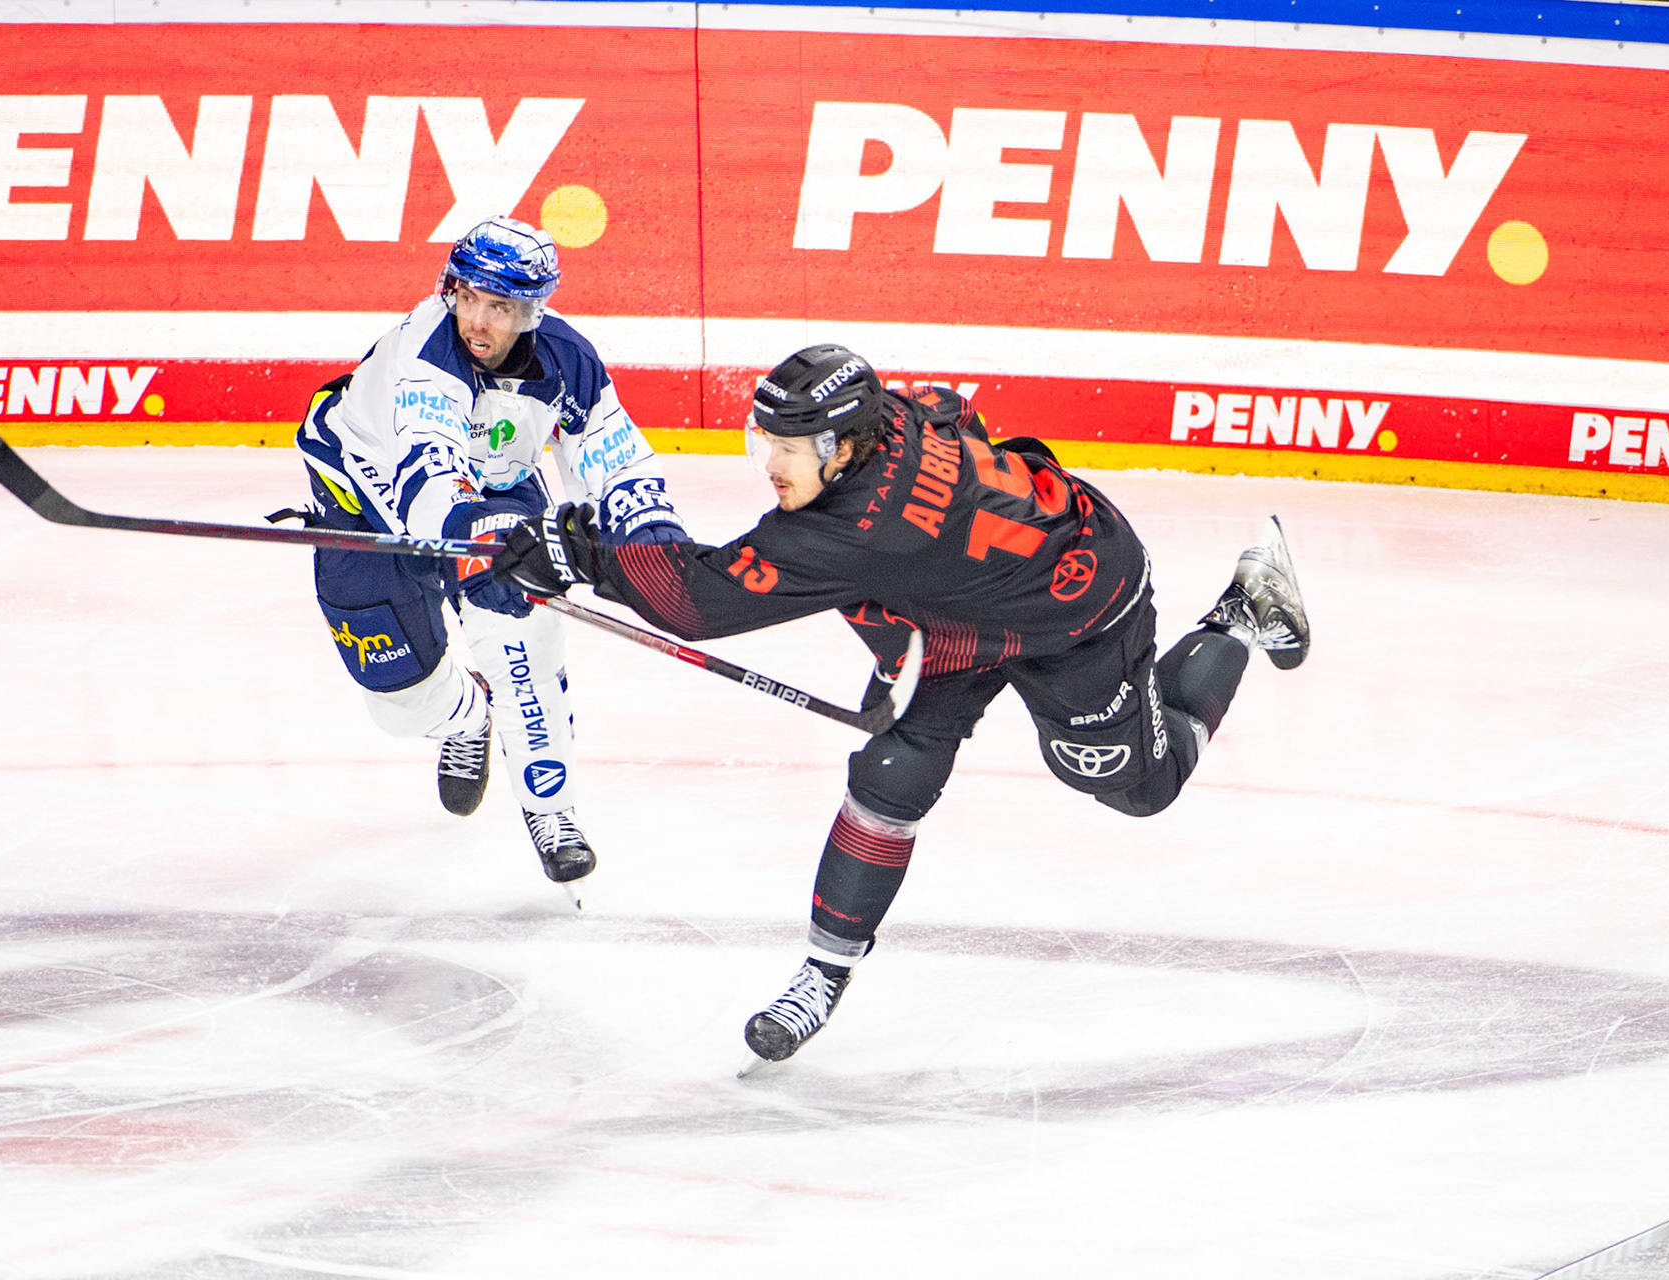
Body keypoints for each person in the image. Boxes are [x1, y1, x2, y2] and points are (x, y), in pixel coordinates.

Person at [491, 343, 1309, 1058]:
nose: (771, 464)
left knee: (1137, 789)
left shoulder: (851, 531)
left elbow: (698, 603)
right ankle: (820, 977)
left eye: (790, 448)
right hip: (955, 620)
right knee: (889, 778)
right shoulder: (893, 415)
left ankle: (1242, 613)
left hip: (1079, 607)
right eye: (764, 442)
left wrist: (578, 556)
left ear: (843, 446)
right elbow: (970, 422)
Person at [289, 215, 688, 886]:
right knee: (397, 702)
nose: (477, 319)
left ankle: (551, 808)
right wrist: (487, 541)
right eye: (467, 296)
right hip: (364, 504)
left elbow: (616, 461)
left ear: (531, 311)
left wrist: (651, 539)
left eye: (499, 306)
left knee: (525, 637)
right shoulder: (423, 355)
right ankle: (463, 714)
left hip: (494, 491)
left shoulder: (569, 361)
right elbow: (428, 475)